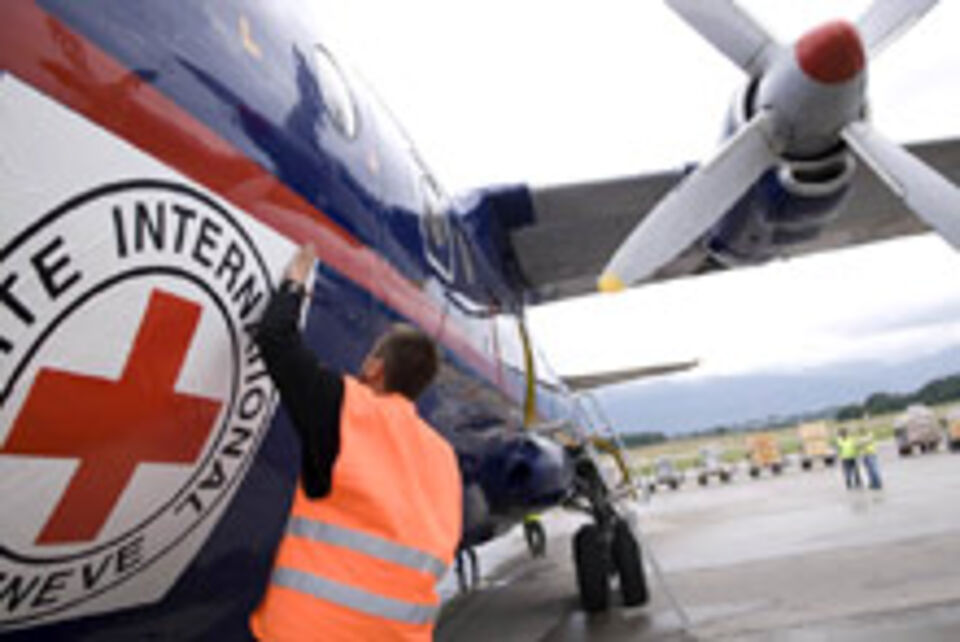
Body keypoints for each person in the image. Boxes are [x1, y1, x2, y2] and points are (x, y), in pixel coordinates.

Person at [249, 244, 462, 642]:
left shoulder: (347, 408)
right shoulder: (444, 456)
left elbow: (276, 338)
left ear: (375, 367)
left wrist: (297, 276)